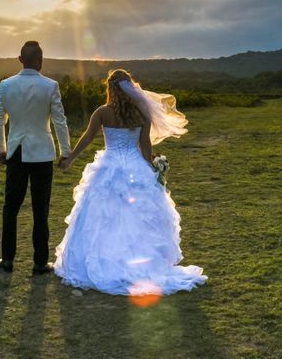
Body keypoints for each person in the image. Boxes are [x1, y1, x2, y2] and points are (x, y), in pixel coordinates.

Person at [54, 69, 207, 295]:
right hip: (136, 167)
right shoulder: (141, 113)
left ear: (110, 89)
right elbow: (145, 145)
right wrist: (152, 166)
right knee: (138, 216)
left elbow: (88, 138)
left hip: (109, 167)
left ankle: (108, 258)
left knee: (103, 216)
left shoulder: (102, 112)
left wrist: (70, 159)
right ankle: (141, 262)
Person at [0, 41, 71, 275]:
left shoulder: (6, 85)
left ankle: (7, 260)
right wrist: (65, 152)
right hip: (42, 154)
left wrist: (0, 149)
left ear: (20, 59)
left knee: (11, 207)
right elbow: (60, 121)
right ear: (41, 60)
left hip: (15, 152)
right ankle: (39, 262)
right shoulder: (50, 86)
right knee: (41, 208)